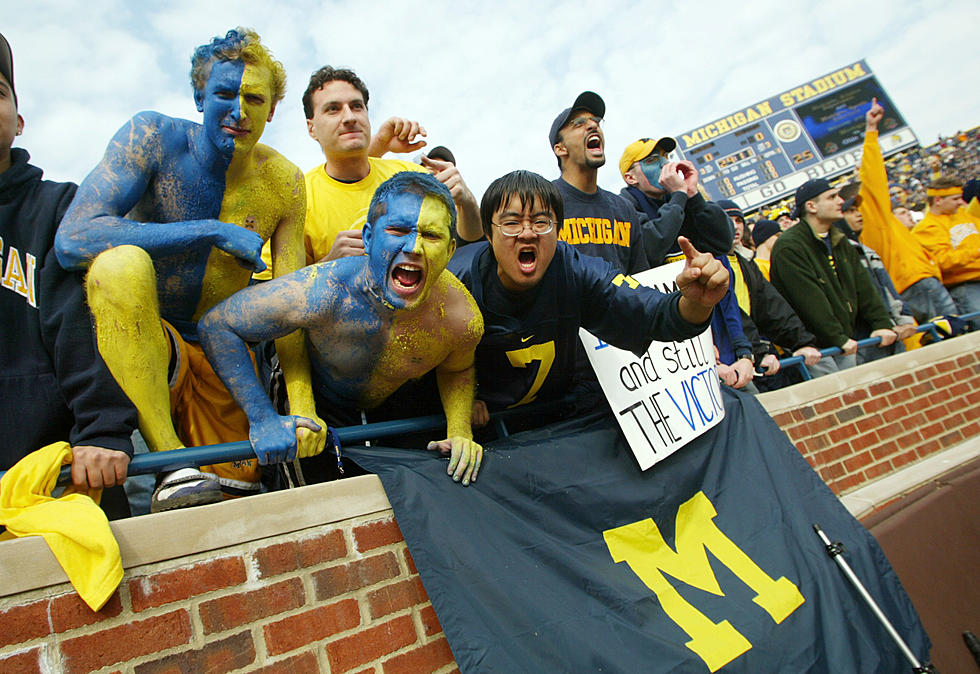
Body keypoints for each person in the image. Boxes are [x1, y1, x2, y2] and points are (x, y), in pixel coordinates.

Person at [55, 28, 324, 511]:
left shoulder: (283, 182)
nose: (239, 111)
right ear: (200, 96)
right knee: (120, 265)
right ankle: (169, 460)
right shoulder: (152, 136)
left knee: (237, 506)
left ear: (272, 109)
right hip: (144, 346)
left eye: (254, 98)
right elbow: (74, 237)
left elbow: (291, 306)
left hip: (226, 357)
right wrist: (210, 231)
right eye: (224, 93)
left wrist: (302, 408)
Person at [200, 172, 484, 486]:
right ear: (368, 237)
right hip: (317, 391)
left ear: (451, 249)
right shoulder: (323, 292)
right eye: (398, 230)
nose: (414, 247)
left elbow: (457, 368)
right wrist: (263, 418)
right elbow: (217, 325)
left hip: (391, 403)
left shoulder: (461, 317)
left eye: (431, 235)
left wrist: (459, 432)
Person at [447, 170, 729, 425]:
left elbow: (651, 312)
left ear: (558, 231)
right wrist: (454, 403)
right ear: (488, 233)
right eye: (511, 223)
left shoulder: (574, 269)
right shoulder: (455, 282)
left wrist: (696, 302)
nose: (527, 233)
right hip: (483, 431)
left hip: (556, 419)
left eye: (541, 222)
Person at [0, 32, 137, 519]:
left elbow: (81, 324)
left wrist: (102, 429)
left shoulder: (58, 207)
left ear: (18, 122)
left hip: (66, 473)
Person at [295, 66, 482, 267]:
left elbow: (470, 241)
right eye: (333, 109)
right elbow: (275, 289)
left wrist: (467, 201)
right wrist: (329, 265)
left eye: (357, 106)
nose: (349, 117)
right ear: (311, 128)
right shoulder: (298, 198)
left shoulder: (412, 176)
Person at [770, 179, 897, 373]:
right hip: (817, 347)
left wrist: (882, 323)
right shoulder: (790, 246)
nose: (840, 202)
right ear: (811, 206)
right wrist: (838, 338)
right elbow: (809, 300)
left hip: (844, 338)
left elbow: (864, 287)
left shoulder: (839, 239)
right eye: (832, 197)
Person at [856, 99, 958, 324]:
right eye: (900, 211)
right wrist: (871, 131)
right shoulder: (876, 221)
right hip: (915, 284)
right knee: (958, 334)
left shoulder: (904, 233)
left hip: (914, 284)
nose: (906, 214)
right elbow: (872, 176)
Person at [548, 91, 649, 274]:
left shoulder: (624, 209)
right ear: (560, 148)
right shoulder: (543, 203)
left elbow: (640, 279)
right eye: (579, 123)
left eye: (596, 121)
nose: (593, 125)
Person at [618, 135, 733, 264]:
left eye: (666, 157)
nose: (665, 164)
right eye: (652, 160)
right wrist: (678, 196)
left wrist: (692, 194)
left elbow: (723, 243)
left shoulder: (682, 198)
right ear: (631, 178)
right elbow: (651, 248)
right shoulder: (622, 208)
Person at [836, 184, 918, 362]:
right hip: (866, 335)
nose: (858, 214)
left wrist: (901, 318)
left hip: (889, 328)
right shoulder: (839, 252)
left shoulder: (864, 248)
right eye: (849, 211)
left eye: (857, 209)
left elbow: (885, 287)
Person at [911, 175, 980, 328]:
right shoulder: (926, 228)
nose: (960, 203)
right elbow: (943, 261)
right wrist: (977, 252)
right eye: (955, 199)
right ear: (938, 200)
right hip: (966, 287)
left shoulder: (962, 214)